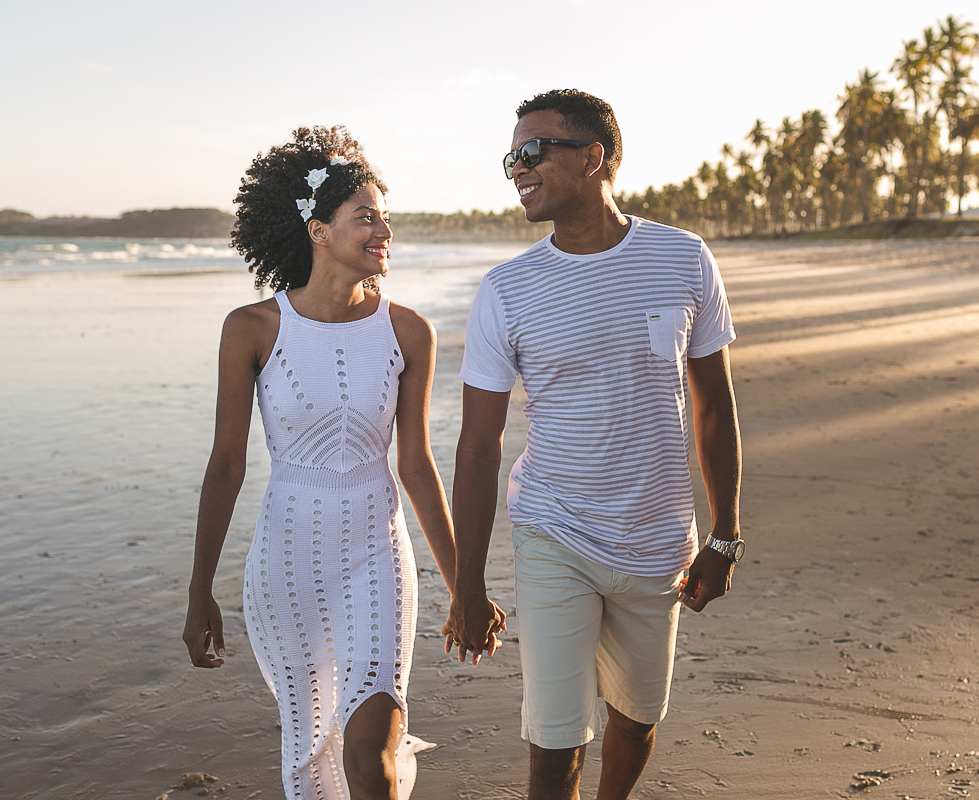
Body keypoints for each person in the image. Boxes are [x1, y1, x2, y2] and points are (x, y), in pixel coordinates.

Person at [443, 90, 745, 800]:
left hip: (658, 542)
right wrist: (468, 584)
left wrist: (726, 536)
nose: (517, 167)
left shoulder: (683, 258)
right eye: (510, 156)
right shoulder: (507, 290)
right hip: (554, 531)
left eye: (532, 151)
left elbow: (714, 405)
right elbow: (478, 448)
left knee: (636, 722)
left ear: (592, 157)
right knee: (553, 745)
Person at [182, 126, 486, 800]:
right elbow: (226, 464)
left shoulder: (408, 331)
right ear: (317, 230)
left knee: (368, 756)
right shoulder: (252, 329)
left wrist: (463, 584)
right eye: (366, 216)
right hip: (284, 565)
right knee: (309, 756)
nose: (384, 230)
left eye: (385, 217)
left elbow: (416, 465)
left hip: (376, 553)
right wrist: (199, 587)